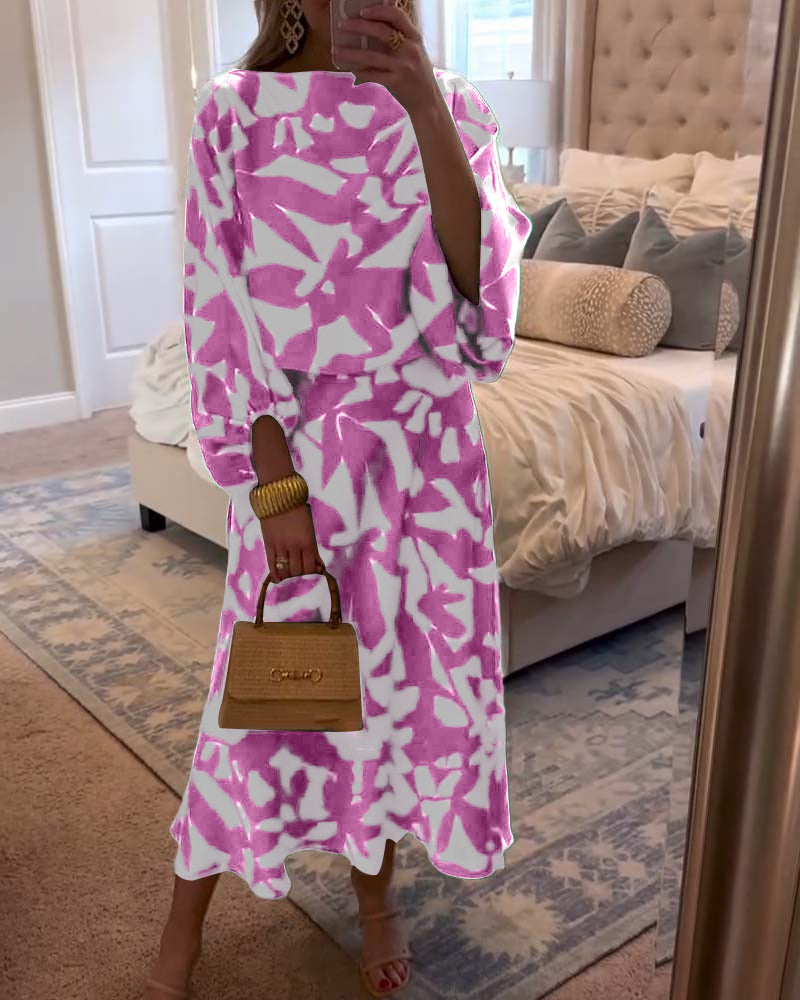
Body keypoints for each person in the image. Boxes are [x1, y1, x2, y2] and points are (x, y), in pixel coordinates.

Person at [144, 0, 531, 996]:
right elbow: (216, 306)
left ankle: (377, 901)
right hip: (303, 460)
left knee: (392, 700)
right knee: (255, 701)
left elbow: (487, 306)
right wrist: (273, 485)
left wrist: (423, 103)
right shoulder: (235, 110)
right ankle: (181, 925)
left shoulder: (454, 106)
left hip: (430, 467)